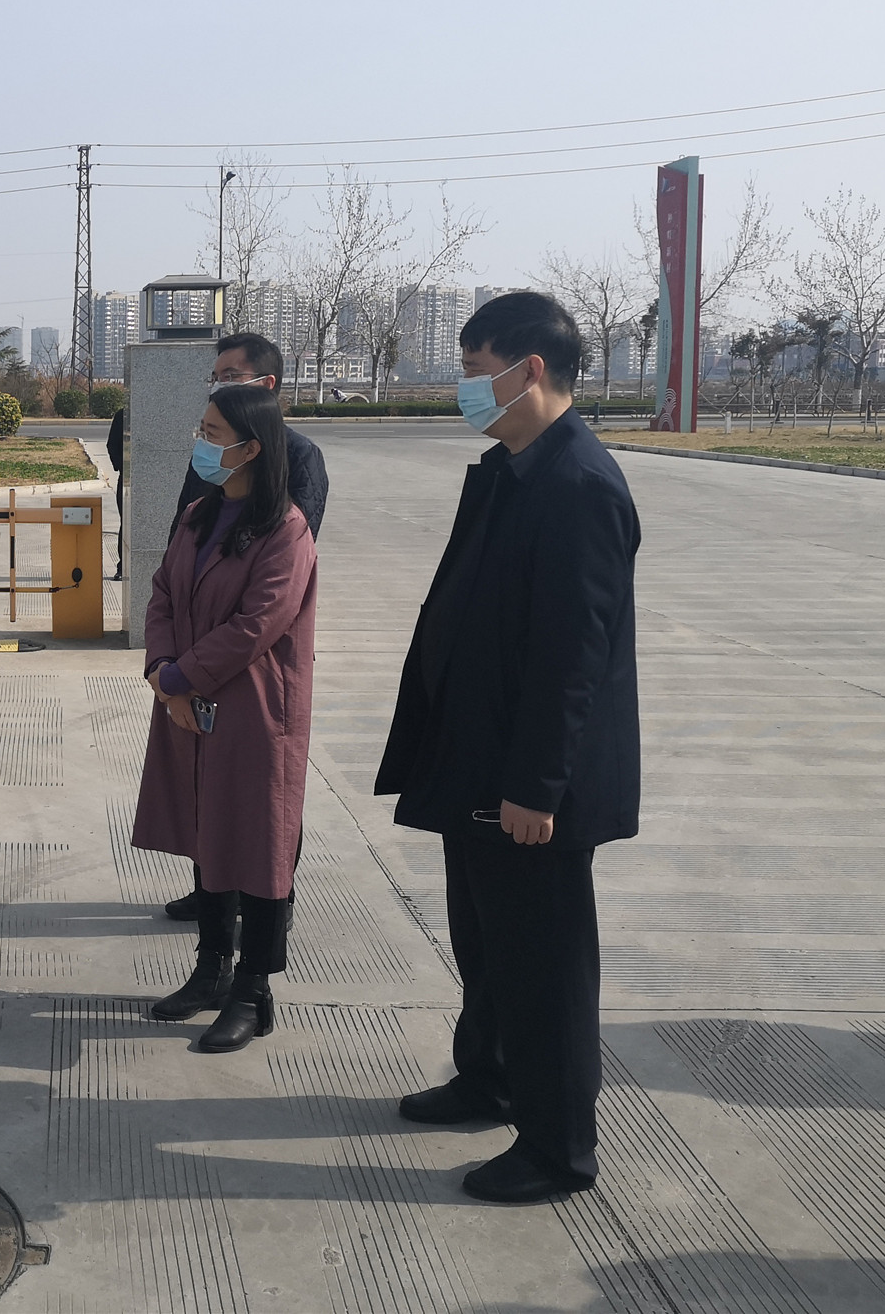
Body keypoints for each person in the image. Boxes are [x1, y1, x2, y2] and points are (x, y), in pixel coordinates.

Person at [374, 291, 641, 1205]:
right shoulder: (512, 468)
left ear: (530, 370)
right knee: (487, 943)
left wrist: (536, 785)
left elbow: (573, 659)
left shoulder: (579, 485)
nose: (464, 388)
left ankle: (557, 1148)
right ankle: (487, 1077)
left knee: (543, 965)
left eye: (474, 370)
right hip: (478, 759)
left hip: (531, 784)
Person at [132, 382, 318, 1053]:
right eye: (202, 431)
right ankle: (210, 970)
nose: (202, 445)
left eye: (212, 435)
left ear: (251, 447)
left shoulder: (286, 530)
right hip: (189, 705)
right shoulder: (197, 516)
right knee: (208, 838)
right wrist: (163, 671)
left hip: (253, 713)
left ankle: (252, 991)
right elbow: (161, 592)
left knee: (259, 849)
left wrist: (181, 677)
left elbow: (256, 626)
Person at [161, 331, 328, 923]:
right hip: (198, 652)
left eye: (232, 377)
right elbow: (178, 554)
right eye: (217, 377)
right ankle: (213, 891)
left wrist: (190, 668)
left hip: (253, 664)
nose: (219, 386)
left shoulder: (297, 460)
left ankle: (267, 904)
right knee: (208, 787)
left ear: (267, 384)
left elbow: (278, 582)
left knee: (264, 800)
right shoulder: (210, 461)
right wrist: (169, 666)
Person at [105, 404, 125, 580]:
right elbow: (112, 445)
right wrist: (122, 467)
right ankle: (123, 566)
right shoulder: (122, 415)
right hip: (127, 480)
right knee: (126, 522)